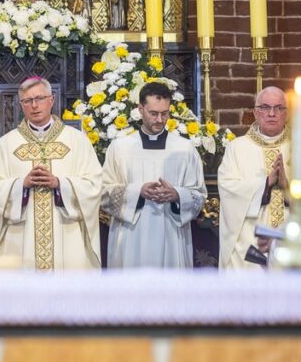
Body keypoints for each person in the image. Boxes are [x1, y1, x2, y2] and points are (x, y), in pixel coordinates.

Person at [0, 76, 102, 270]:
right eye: (27, 101)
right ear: (21, 105)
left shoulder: (77, 141)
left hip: (67, 236)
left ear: (51, 100)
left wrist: (60, 184)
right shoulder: (7, 143)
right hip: (20, 238)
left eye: (40, 98)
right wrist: (22, 185)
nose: (34, 105)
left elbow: (95, 185)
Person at [101, 81, 206, 268]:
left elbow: (199, 195)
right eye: (153, 113)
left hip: (172, 234)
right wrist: (137, 192)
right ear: (140, 109)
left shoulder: (185, 149)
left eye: (164, 114)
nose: (159, 120)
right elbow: (104, 193)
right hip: (131, 238)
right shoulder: (119, 148)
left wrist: (177, 195)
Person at [217, 86, 291, 268]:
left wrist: (287, 186)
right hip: (249, 243)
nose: (272, 113)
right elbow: (227, 188)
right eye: (265, 108)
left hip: (292, 239)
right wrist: (265, 184)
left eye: (278, 108)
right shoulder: (237, 148)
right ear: (255, 113)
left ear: (286, 113)